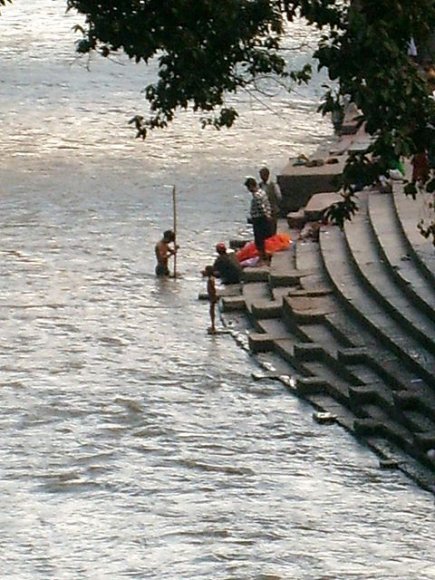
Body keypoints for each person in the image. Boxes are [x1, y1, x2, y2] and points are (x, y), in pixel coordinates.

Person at [244, 176, 273, 265]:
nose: (249, 190)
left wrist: (266, 216)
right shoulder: (262, 192)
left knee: (259, 238)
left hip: (259, 219)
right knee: (263, 238)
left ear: (251, 186)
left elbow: (262, 207)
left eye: (249, 188)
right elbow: (267, 205)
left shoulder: (257, 195)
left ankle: (262, 256)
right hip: (262, 217)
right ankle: (264, 254)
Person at [259, 166, 282, 235]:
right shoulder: (259, 185)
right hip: (263, 211)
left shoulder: (273, 185)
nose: (262, 177)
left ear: (267, 175)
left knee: (272, 229)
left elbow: (279, 197)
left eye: (263, 175)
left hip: (273, 210)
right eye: (261, 175)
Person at [202, 265, 218, 334]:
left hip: (212, 296)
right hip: (211, 296)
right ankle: (212, 325)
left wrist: (214, 296)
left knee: (212, 311)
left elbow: (213, 288)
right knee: (211, 311)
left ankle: (213, 325)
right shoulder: (211, 279)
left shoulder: (211, 279)